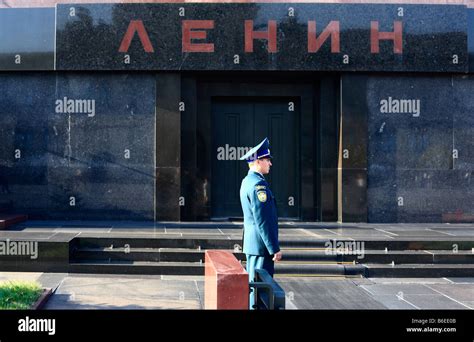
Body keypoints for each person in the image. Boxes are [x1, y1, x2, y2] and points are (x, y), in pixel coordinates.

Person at [239, 137, 282, 309]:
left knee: (254, 288)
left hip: (253, 245)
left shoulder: (246, 181)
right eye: (267, 160)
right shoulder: (259, 186)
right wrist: (274, 248)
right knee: (261, 292)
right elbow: (263, 221)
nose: (270, 164)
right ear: (258, 161)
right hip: (261, 247)